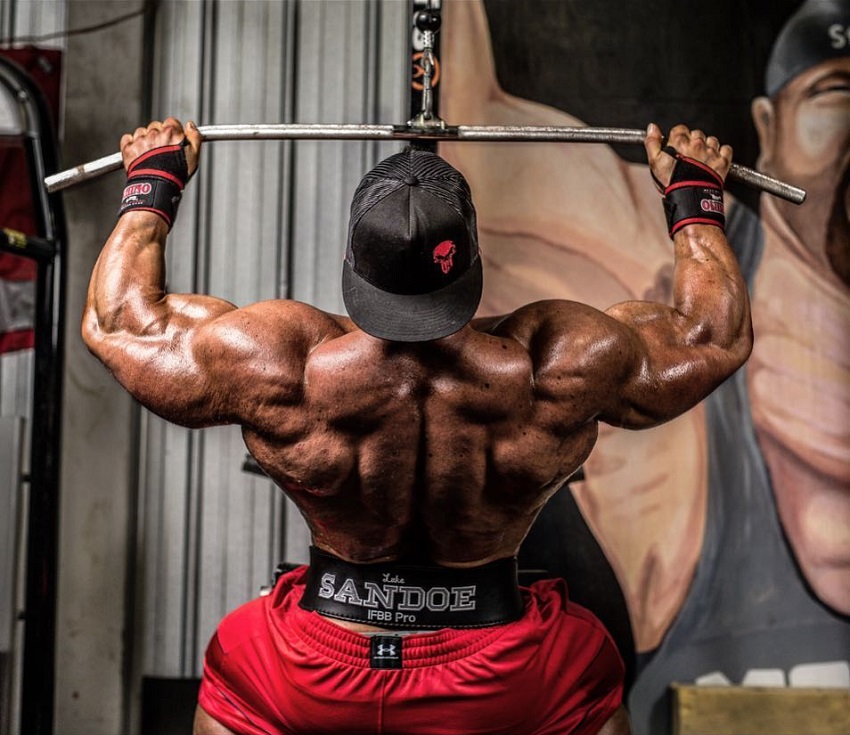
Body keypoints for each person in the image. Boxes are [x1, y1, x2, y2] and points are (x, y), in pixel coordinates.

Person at [82, 114, 751, 735]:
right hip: (503, 671)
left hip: (313, 666)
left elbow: (119, 321)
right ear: (470, 258)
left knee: (238, 662)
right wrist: (693, 196)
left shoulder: (279, 363)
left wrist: (153, 184)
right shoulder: (557, 364)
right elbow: (710, 335)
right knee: (588, 667)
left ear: (352, 259)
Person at [440, 1, 850, 733]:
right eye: (836, 93)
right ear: (768, 124)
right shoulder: (640, 247)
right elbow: (474, 107)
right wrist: (693, 200)